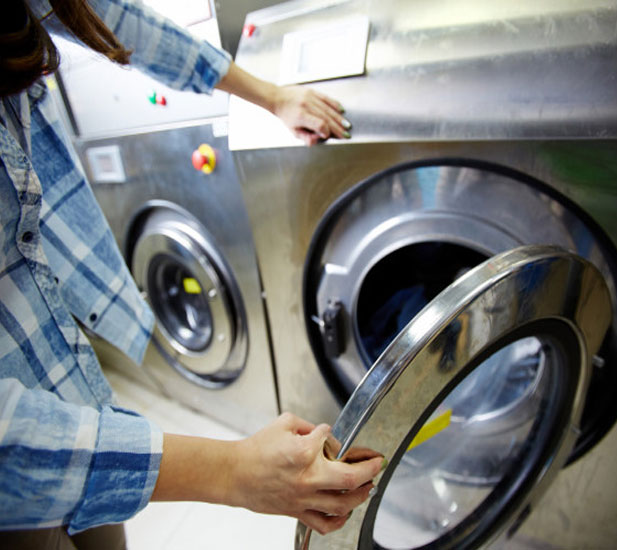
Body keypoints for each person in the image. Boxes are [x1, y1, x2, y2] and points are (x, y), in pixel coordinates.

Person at [0, 1, 382, 548]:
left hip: (66, 381)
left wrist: (272, 96)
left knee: (109, 540)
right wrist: (232, 470)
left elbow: (118, 21)